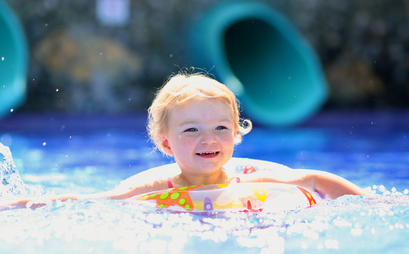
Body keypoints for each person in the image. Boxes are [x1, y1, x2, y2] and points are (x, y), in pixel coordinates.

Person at [1, 70, 367, 210]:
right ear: (165, 144)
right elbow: (93, 201)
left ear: (236, 134)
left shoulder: (254, 178)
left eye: (222, 128)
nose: (208, 138)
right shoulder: (153, 185)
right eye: (191, 130)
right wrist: (21, 204)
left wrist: (370, 202)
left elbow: (317, 180)